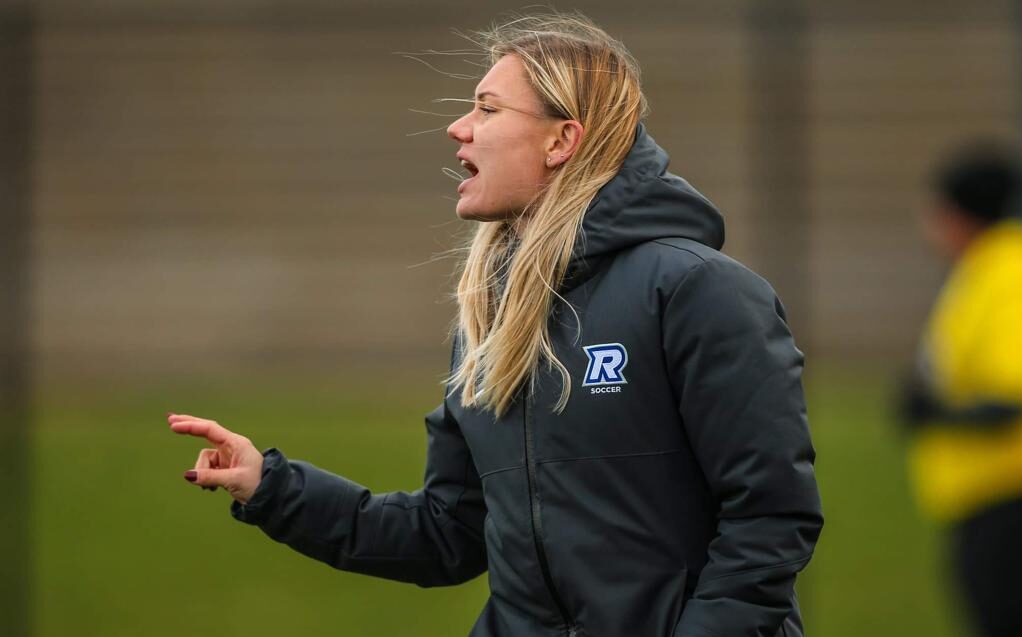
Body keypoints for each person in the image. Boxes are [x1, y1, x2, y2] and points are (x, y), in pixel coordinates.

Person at [169, 13, 822, 637]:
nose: (459, 128)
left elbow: (769, 522)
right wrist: (271, 484)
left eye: (487, 108)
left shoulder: (698, 292)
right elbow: (445, 533)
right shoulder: (488, 316)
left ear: (561, 139)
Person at [901, 144, 1022, 637]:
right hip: (987, 499)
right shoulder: (987, 268)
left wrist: (933, 413)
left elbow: (1011, 394)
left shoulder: (1007, 272)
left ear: (960, 212)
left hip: (1006, 498)